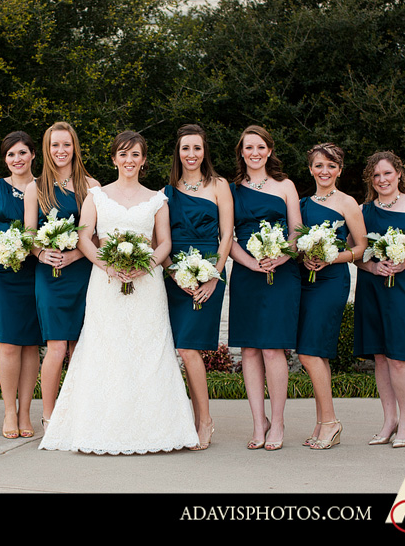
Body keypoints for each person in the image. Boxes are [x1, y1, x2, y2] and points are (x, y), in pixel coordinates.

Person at [38, 130, 199, 454]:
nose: (129, 160)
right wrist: (108, 266)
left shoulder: (157, 199)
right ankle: (98, 427)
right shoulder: (97, 195)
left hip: (147, 284)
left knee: (147, 349)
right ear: (113, 159)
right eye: (123, 154)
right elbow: (85, 237)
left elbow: (164, 242)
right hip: (105, 282)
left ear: (143, 160)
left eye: (135, 155)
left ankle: (155, 430)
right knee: (106, 348)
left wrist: (145, 265)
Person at [353, 151, 405, 448]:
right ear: (370, 180)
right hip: (372, 284)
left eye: (387, 173)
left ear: (399, 174)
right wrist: (372, 266)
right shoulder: (363, 211)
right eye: (376, 175)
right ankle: (388, 421)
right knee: (379, 354)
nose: (382, 180)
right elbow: (354, 252)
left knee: (399, 355)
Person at [228, 125, 302, 451]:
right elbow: (226, 238)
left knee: (273, 348)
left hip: (281, 273)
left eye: (260, 147)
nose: (254, 153)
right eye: (248, 148)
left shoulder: (285, 186)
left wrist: (280, 256)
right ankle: (259, 423)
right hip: (247, 273)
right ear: (241, 152)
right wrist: (250, 262)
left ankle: (279, 421)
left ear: (269, 150)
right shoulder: (231, 190)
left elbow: (298, 232)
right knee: (249, 349)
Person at [161, 124, 233, 450]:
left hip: (208, 276)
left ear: (205, 152)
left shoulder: (219, 186)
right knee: (182, 348)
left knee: (190, 348)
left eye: (197, 148)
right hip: (177, 278)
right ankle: (194, 418)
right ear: (178, 152)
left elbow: (227, 235)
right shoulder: (167, 192)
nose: (192, 154)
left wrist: (213, 276)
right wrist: (174, 273)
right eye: (186, 148)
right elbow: (158, 241)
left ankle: (204, 420)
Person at [23, 121, 100, 430]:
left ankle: (81, 411)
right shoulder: (35, 187)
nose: (61, 150)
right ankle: (50, 416)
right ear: (47, 148)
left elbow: (96, 235)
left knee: (81, 345)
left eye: (66, 144)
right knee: (56, 345)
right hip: (50, 275)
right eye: (55, 145)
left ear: (74, 147)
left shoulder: (91, 186)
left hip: (83, 272)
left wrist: (75, 253)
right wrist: (43, 253)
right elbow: (29, 235)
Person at [295, 143, 367, 449]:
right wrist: (303, 256)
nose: (325, 171)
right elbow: (294, 243)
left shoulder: (348, 202)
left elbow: (361, 247)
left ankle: (330, 421)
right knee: (313, 352)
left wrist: (330, 256)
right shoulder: (301, 204)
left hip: (332, 280)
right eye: (319, 165)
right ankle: (325, 422)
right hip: (305, 279)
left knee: (309, 352)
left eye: (331, 166)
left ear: (339, 170)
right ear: (310, 169)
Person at [0, 132, 43, 439]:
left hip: (33, 272)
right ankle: (7, 412)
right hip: (2, 273)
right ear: (5, 160)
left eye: (22, 153)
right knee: (8, 342)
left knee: (31, 343)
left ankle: (26, 412)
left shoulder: (43, 187)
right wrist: (1, 249)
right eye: (11, 155)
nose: (17, 159)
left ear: (32, 155)